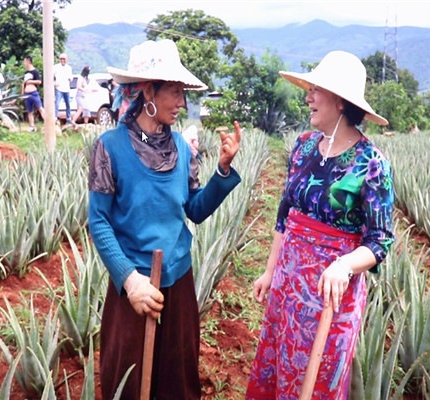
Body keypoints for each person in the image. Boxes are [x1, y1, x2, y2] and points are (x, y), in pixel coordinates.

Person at [88, 39, 242, 400]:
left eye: (182, 93)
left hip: (178, 280)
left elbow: (195, 210)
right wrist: (130, 282)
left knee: (178, 381)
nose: (181, 103)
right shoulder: (109, 148)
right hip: (133, 288)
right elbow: (99, 222)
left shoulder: (182, 149)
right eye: (174, 92)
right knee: (127, 379)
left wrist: (222, 170)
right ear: (147, 91)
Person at [246, 50, 395, 399]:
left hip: (331, 294)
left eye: (317, 90)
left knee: (318, 378)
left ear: (341, 102)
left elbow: (380, 241)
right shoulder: (302, 147)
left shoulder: (371, 163)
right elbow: (286, 216)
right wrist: (270, 272)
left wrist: (344, 265)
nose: (308, 96)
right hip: (288, 284)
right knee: (280, 367)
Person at [22, 56, 45, 132]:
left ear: (28, 61)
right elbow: (23, 83)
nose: (24, 63)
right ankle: (32, 126)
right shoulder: (26, 73)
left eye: (25, 61)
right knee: (29, 111)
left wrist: (30, 82)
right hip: (26, 94)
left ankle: (46, 122)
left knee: (40, 108)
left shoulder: (35, 71)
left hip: (34, 93)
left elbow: (39, 81)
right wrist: (22, 93)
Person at [53, 52, 73, 125]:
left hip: (66, 88)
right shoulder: (56, 67)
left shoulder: (69, 68)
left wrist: (70, 79)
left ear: (66, 59)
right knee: (57, 104)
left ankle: (69, 118)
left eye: (63, 59)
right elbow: (50, 75)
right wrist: (54, 83)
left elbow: (71, 77)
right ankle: (55, 117)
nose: (62, 60)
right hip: (59, 88)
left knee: (68, 104)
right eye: (61, 59)